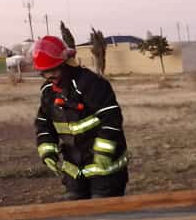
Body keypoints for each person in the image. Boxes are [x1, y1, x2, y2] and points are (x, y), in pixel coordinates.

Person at [31, 36, 129, 200]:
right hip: (74, 171)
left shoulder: (91, 83)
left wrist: (104, 150)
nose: (50, 76)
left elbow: (111, 117)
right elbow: (44, 124)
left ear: (65, 64)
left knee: (106, 217)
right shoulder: (48, 92)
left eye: (54, 70)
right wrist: (47, 150)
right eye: (45, 72)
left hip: (104, 169)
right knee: (75, 216)